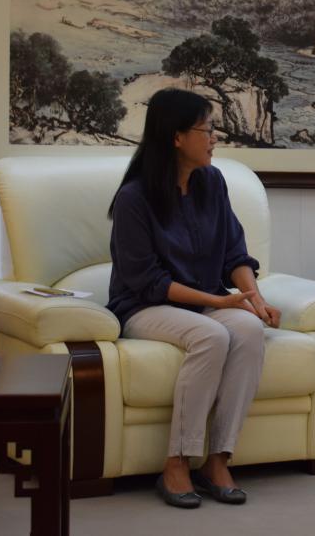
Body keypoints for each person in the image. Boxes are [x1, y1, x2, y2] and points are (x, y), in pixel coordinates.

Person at [107, 88, 281, 509]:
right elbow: (147, 280)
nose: (214, 138)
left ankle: (218, 460)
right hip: (145, 307)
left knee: (248, 329)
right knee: (212, 335)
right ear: (177, 137)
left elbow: (235, 253)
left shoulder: (212, 183)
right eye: (207, 129)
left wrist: (255, 301)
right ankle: (177, 462)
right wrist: (216, 302)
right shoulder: (134, 198)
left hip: (204, 303)